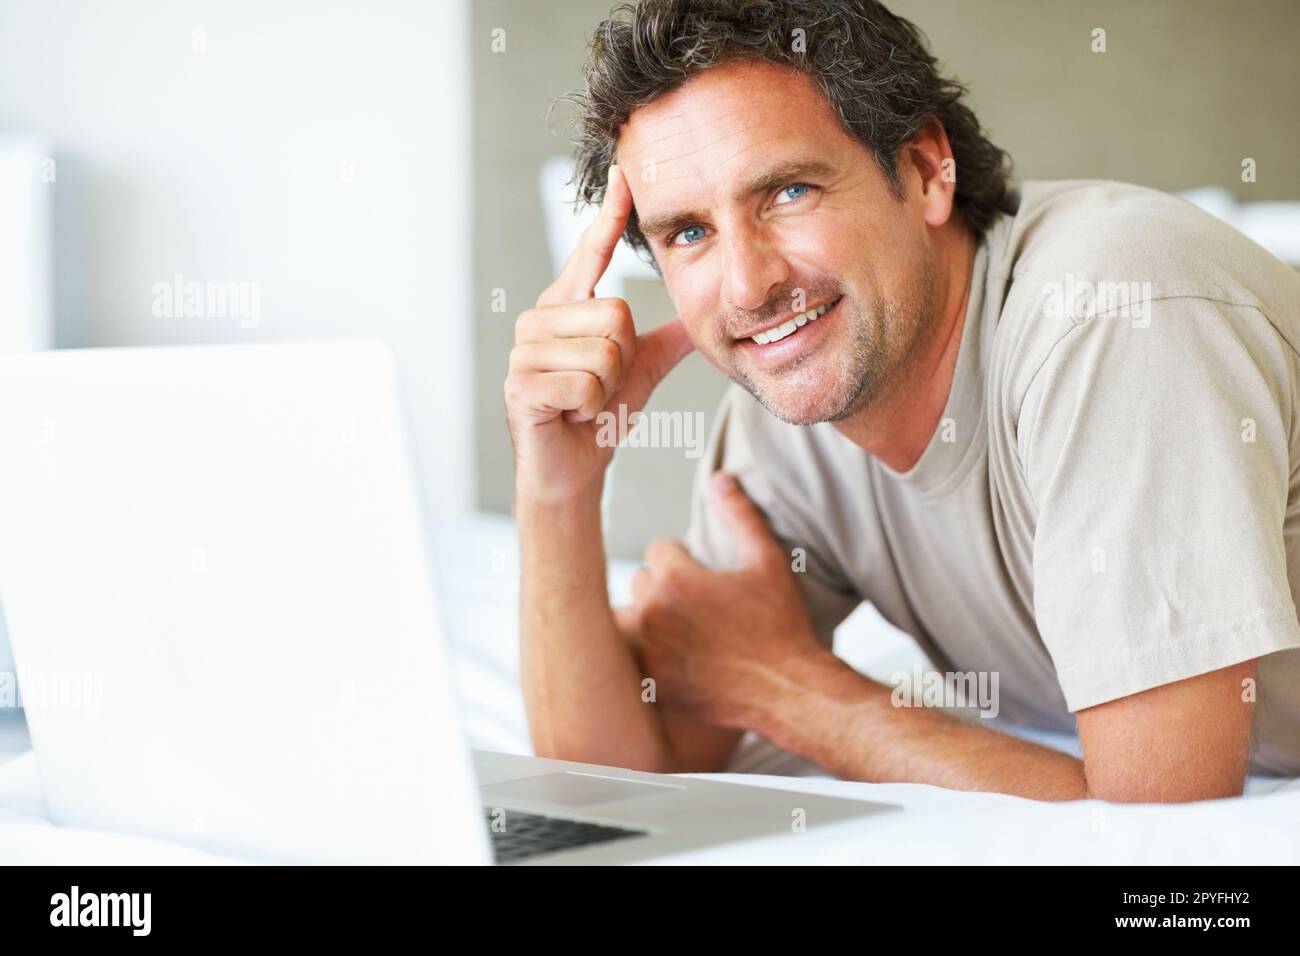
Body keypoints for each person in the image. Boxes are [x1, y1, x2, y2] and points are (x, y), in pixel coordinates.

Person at [503, 0, 1300, 801]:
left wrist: (788, 687)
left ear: (923, 172)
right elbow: (617, 780)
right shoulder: (797, 403)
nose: (749, 286)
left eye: (788, 192)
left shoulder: (1116, 319)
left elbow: (1161, 841)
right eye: (688, 233)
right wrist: (557, 488)